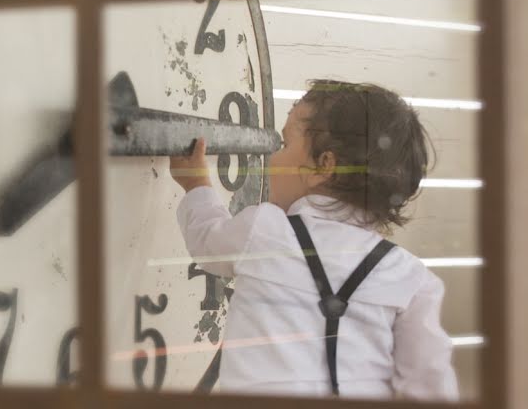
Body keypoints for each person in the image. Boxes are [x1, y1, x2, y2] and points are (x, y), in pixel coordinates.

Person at [169, 79, 458, 400]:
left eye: (285, 143)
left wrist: (196, 186)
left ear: (323, 166)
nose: (273, 158)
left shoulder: (263, 231)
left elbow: (207, 240)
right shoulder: (410, 277)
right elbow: (429, 383)